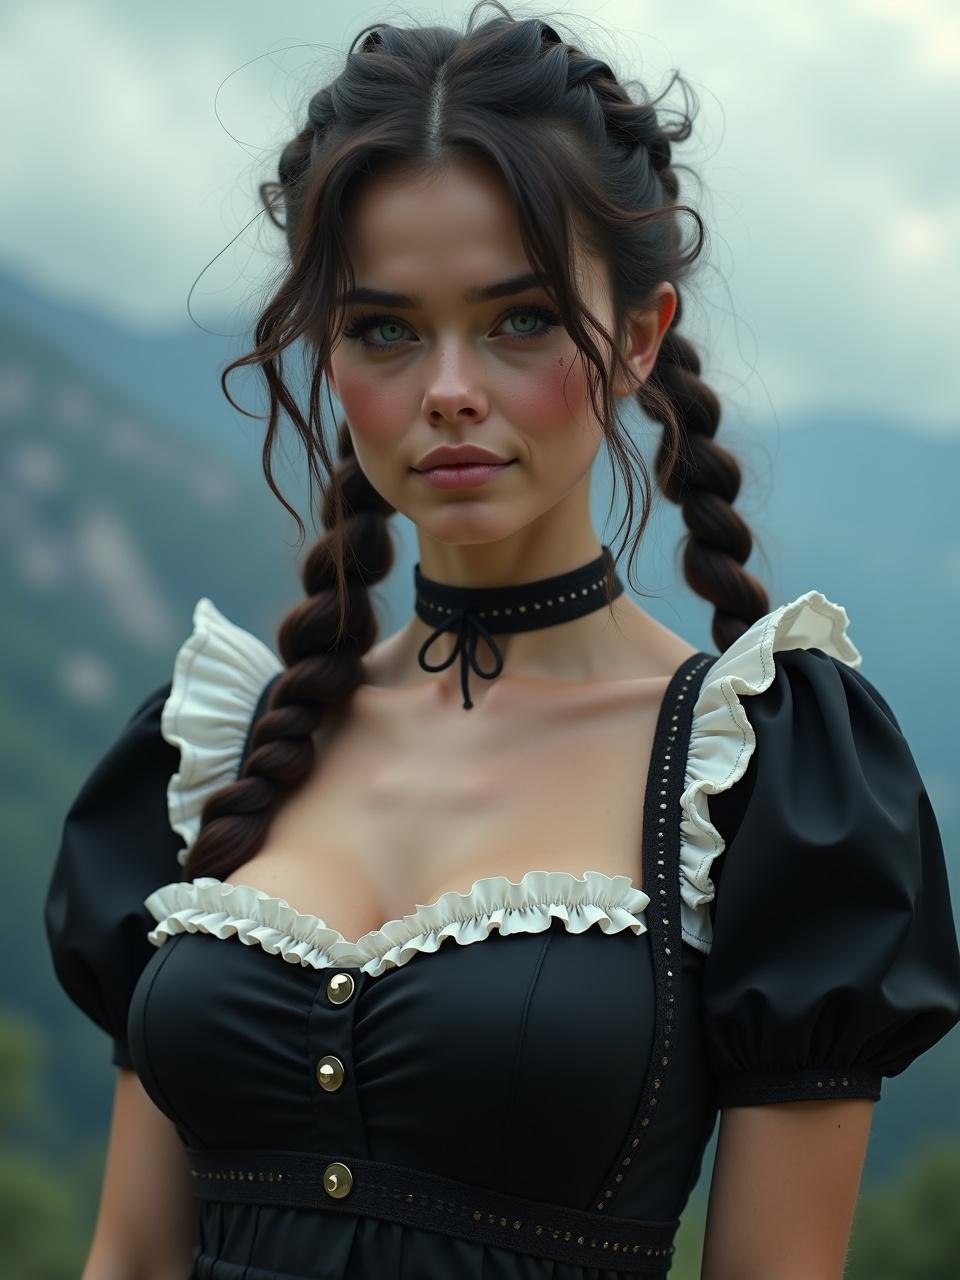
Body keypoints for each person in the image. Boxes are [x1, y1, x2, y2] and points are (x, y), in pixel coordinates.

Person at [43, 4, 960, 1278]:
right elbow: (130, 1258)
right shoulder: (221, 747)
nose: (448, 388)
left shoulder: (761, 772)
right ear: (329, 353)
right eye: (384, 329)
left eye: (521, 318)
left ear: (638, 337)